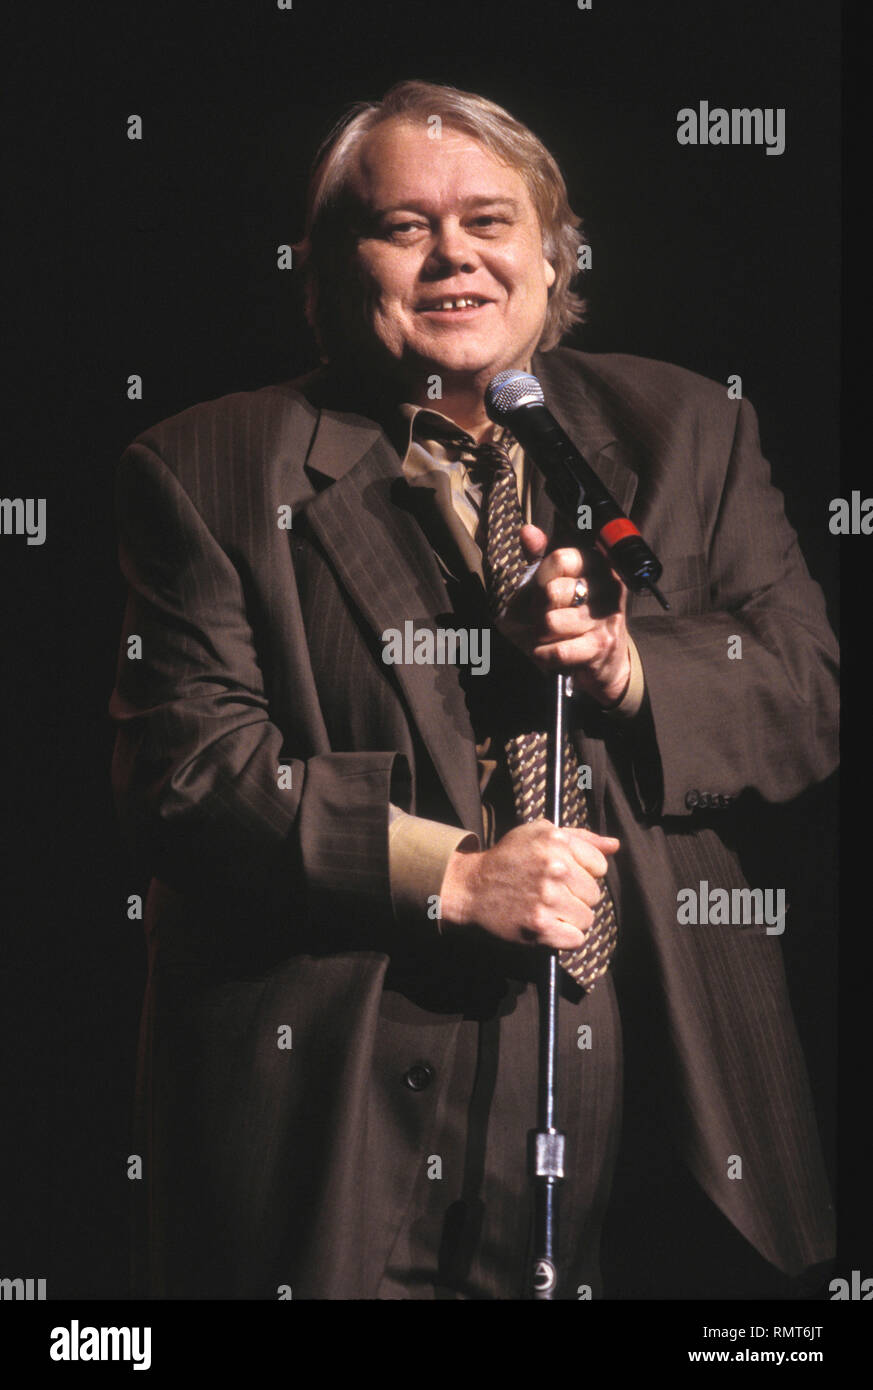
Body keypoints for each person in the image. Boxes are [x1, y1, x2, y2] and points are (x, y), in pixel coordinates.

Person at [110, 80, 839, 1300]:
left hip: (675, 1105)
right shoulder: (207, 467)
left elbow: (807, 692)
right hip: (367, 1111)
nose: (454, 253)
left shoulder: (688, 430)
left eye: (491, 222)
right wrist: (450, 877)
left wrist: (625, 666)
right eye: (403, 226)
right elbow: (190, 771)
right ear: (332, 271)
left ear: (554, 262)